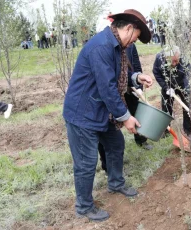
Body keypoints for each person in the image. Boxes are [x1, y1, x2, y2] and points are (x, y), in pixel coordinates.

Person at [63, 9, 153, 222]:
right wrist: (126, 116)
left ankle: (115, 183)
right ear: (128, 28)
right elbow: (107, 88)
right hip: (82, 113)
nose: (133, 43)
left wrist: (137, 76)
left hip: (101, 111)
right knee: (86, 162)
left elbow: (117, 76)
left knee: (115, 145)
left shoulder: (116, 47)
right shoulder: (102, 46)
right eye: (136, 37)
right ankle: (84, 206)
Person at [98, 42, 153, 172]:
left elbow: (136, 65)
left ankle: (141, 139)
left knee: (136, 112)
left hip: (130, 87)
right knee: (106, 129)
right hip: (113, 92)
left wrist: (138, 85)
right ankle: (106, 164)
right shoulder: (106, 47)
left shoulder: (131, 46)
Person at [153, 45, 191, 137]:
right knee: (166, 106)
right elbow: (156, 73)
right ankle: (166, 130)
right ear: (166, 57)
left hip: (182, 83)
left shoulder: (184, 59)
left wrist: (186, 90)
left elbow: (188, 75)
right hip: (168, 84)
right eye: (172, 61)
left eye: (176, 61)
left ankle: (188, 130)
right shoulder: (159, 58)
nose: (174, 63)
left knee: (187, 106)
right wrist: (166, 87)